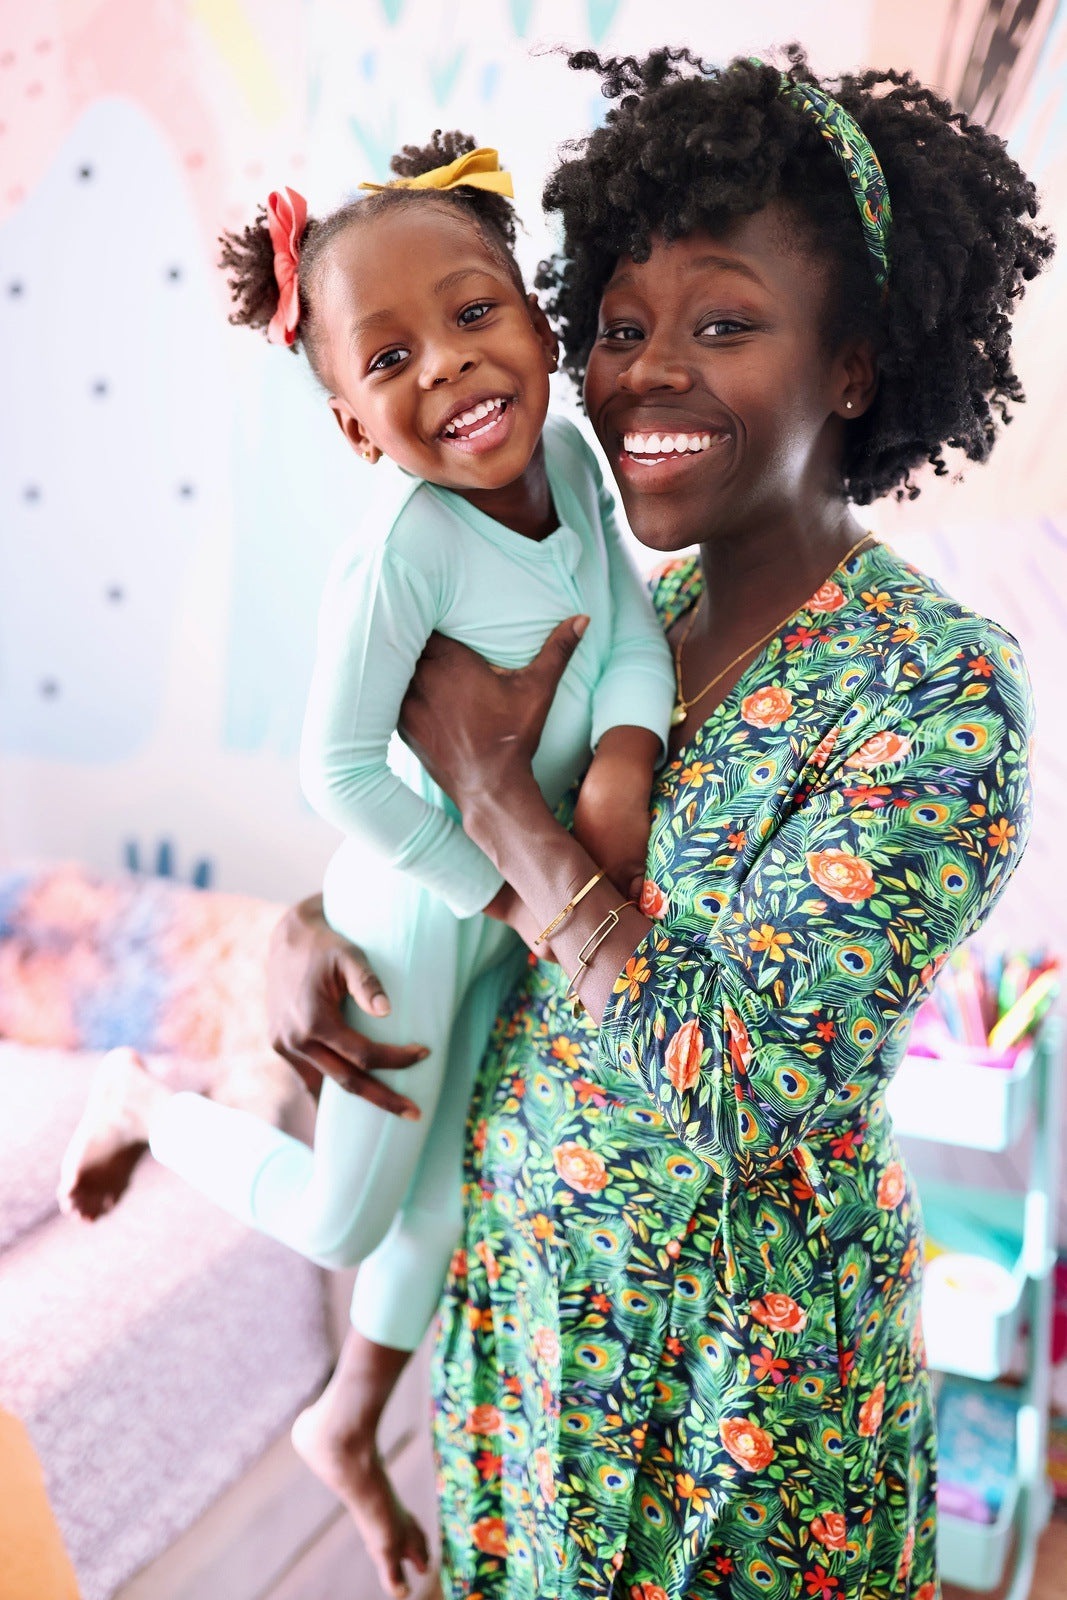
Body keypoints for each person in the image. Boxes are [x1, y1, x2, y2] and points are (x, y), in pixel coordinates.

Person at [266, 47, 1051, 1600]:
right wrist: (313, 929)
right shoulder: (635, 607)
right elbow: (411, 815)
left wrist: (514, 821)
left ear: (856, 365)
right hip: (529, 1332)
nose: (646, 374)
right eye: (621, 328)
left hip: (739, 1427)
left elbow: (750, 1097)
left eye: (726, 324)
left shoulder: (932, 691)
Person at [56, 128, 675, 1597]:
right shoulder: (406, 551)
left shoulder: (579, 461)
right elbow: (335, 773)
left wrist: (627, 755)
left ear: (536, 324)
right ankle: (142, 1097)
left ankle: (346, 1423)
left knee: (439, 1207)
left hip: (524, 893)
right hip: (422, 904)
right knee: (346, 1211)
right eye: (388, 358)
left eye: (472, 316)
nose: (449, 368)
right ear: (351, 428)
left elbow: (631, 625)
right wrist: (506, 897)